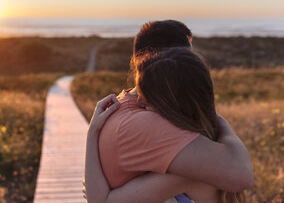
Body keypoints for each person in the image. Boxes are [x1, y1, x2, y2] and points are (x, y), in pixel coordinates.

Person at [84, 21, 254, 202]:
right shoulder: (147, 122)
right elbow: (241, 175)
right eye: (185, 56)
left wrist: (91, 134)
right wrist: (221, 122)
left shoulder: (129, 104)